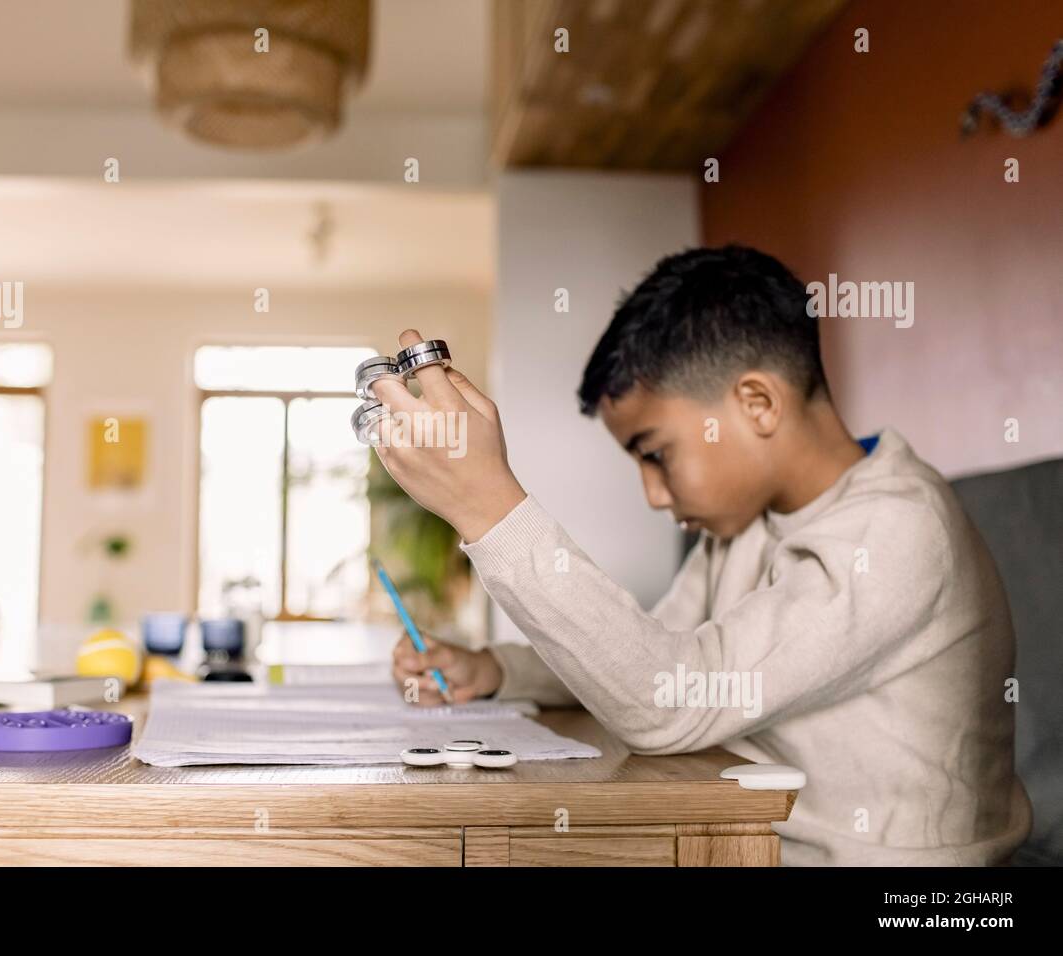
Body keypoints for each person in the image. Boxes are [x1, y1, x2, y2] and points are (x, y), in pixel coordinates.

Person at [371, 244, 1031, 865]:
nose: (654, 496)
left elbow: (667, 699)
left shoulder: (896, 532)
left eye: (657, 454)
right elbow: (649, 654)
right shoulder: (745, 522)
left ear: (757, 403)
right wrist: (495, 669)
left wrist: (490, 508)